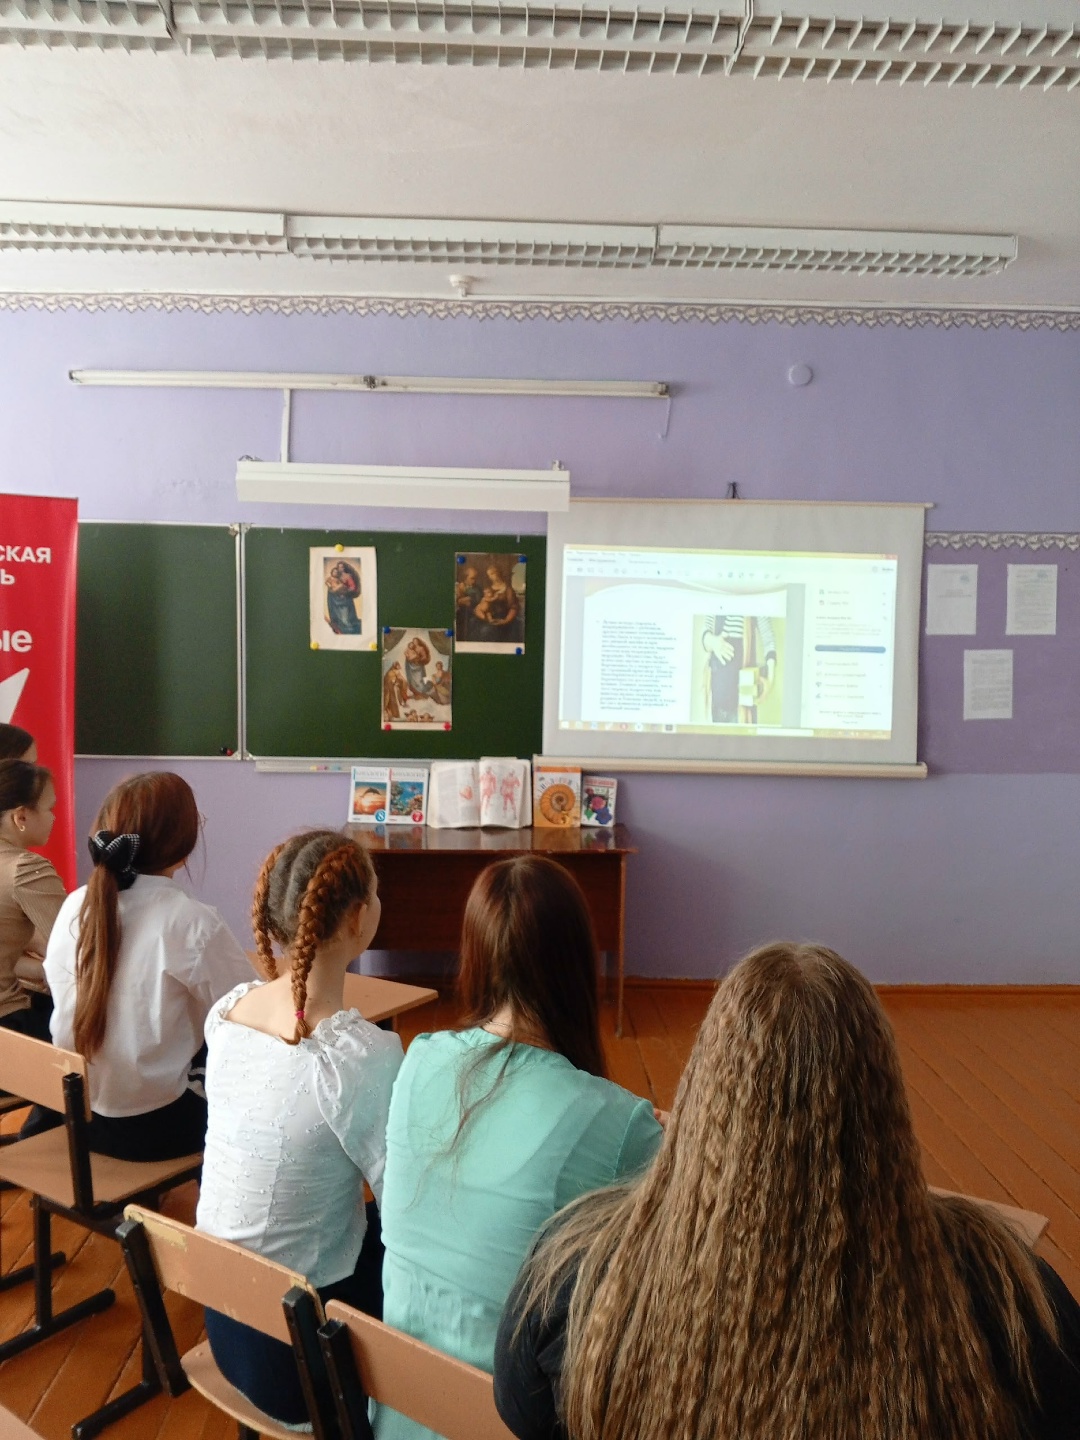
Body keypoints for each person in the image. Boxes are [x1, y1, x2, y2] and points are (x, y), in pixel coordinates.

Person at [494, 942, 1080, 1440]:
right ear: (885, 1102)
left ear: (704, 1090)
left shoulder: (575, 1273)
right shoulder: (1011, 1300)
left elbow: (523, 1411)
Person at [376, 856, 662, 1440]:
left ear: (475, 955)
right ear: (577, 963)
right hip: (511, 1423)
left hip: (396, 1416)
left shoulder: (418, 1058)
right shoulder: (617, 1120)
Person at [197, 830, 402, 1428]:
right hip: (303, 1363)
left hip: (226, 1320)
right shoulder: (356, 1058)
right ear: (359, 918)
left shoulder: (229, 1014)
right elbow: (404, 1204)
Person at [43, 772, 252, 1160]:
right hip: (155, 1128)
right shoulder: (192, 922)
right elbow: (251, 1012)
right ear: (183, 845)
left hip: (78, 1117)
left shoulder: (77, 904)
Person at [0, 760, 65, 1041]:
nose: (53, 818)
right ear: (21, 817)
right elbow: (78, 949)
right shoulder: (26, 869)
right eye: (49, 809)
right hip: (8, 1023)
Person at [702, 610, 777, 723]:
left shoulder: (755, 601)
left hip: (743, 704)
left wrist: (769, 682)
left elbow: (768, 640)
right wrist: (714, 642)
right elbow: (705, 634)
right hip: (716, 702)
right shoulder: (716, 600)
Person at [325, 560, 362, 635]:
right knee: (337, 616)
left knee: (345, 617)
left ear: (344, 568)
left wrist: (344, 592)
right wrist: (332, 589)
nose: (340, 569)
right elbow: (329, 584)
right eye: (338, 567)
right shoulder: (336, 576)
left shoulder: (347, 576)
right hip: (335, 599)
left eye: (341, 567)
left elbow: (352, 587)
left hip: (345, 599)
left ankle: (347, 628)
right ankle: (339, 626)